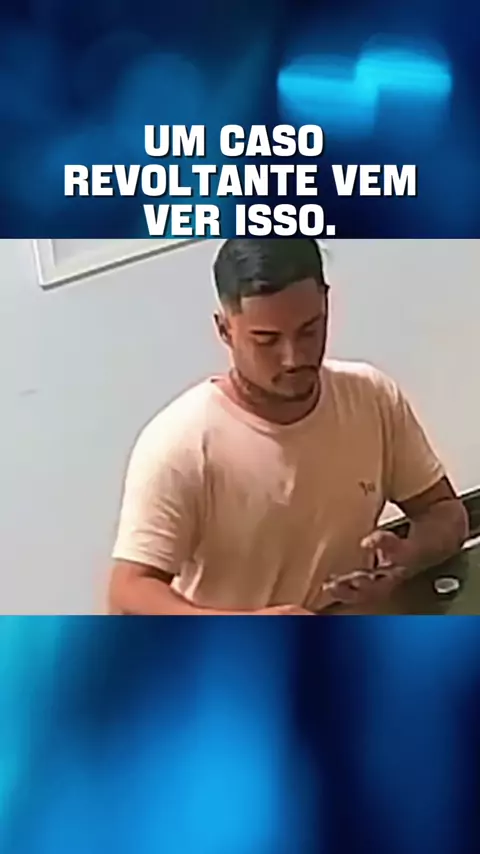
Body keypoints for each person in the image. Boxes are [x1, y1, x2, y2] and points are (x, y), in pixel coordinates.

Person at [108, 238, 468, 615]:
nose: (293, 358)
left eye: (309, 331)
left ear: (326, 305)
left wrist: (408, 556)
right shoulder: (181, 444)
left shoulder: (371, 397)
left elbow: (445, 512)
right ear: (225, 330)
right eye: (267, 341)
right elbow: (127, 593)